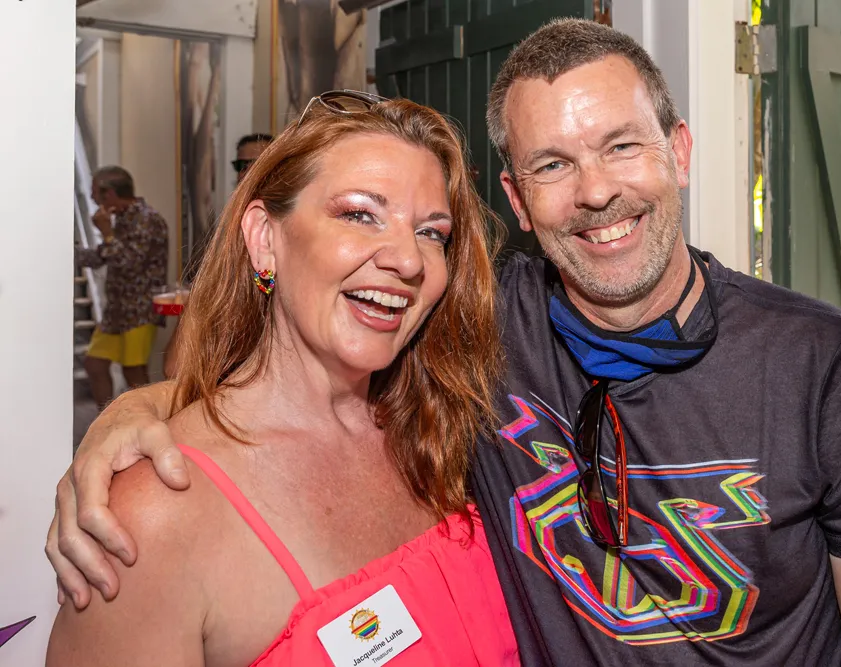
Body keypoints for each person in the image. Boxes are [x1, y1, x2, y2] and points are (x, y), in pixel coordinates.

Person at [49, 20, 841, 666]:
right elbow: (289, 384)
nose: (596, 191)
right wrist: (130, 419)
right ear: (518, 200)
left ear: (678, 151)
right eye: (553, 164)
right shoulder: (478, 329)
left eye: (622, 146)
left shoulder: (819, 363)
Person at [47, 94, 519, 666]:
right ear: (264, 238)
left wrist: (134, 404)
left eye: (432, 233)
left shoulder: (448, 432)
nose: (408, 260)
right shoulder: (157, 514)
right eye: (359, 214)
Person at [163, 134, 277, 379]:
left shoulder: (288, 224)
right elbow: (175, 367)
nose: (247, 171)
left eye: (257, 162)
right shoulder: (232, 224)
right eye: (242, 165)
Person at [77, 167, 169, 408]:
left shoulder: (148, 219)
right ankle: (108, 421)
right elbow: (104, 256)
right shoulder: (122, 218)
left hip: (139, 311)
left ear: (109, 194)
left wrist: (107, 233)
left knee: (134, 372)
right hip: (116, 311)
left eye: (94, 192)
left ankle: (147, 422)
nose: (92, 197)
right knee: (95, 364)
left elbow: (129, 263)